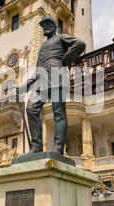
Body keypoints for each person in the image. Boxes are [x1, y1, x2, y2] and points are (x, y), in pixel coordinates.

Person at [17, 15, 86, 155]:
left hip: (57, 77)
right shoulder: (41, 47)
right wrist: (26, 85)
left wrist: (65, 59)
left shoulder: (61, 38)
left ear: (55, 26)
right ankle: (36, 146)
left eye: (48, 24)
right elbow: (37, 70)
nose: (45, 27)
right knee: (31, 108)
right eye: (43, 25)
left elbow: (80, 44)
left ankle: (58, 148)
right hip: (41, 80)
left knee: (58, 113)